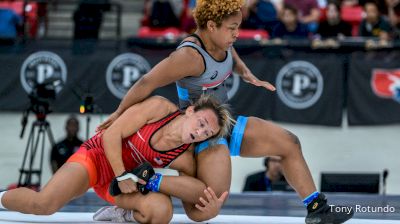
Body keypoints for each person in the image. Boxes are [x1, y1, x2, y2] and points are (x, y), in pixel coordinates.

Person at [95, 0, 354, 223]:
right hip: (201, 133)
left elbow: (231, 54)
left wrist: (247, 74)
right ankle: (148, 182)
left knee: (289, 143)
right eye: (232, 28)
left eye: (238, 26)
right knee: (204, 209)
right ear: (211, 26)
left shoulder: (223, 41)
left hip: (222, 122)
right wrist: (119, 113)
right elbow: (146, 83)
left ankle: (317, 209)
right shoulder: (189, 56)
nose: (237, 33)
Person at [0, 95, 233, 224]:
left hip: (122, 184)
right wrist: (121, 175)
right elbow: (112, 134)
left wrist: (208, 213)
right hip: (97, 157)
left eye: (207, 134)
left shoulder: (184, 155)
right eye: (202, 124)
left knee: (162, 211)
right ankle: (1, 198)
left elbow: (194, 199)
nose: (200, 132)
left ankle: (123, 213)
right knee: (44, 205)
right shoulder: (160, 108)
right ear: (190, 111)